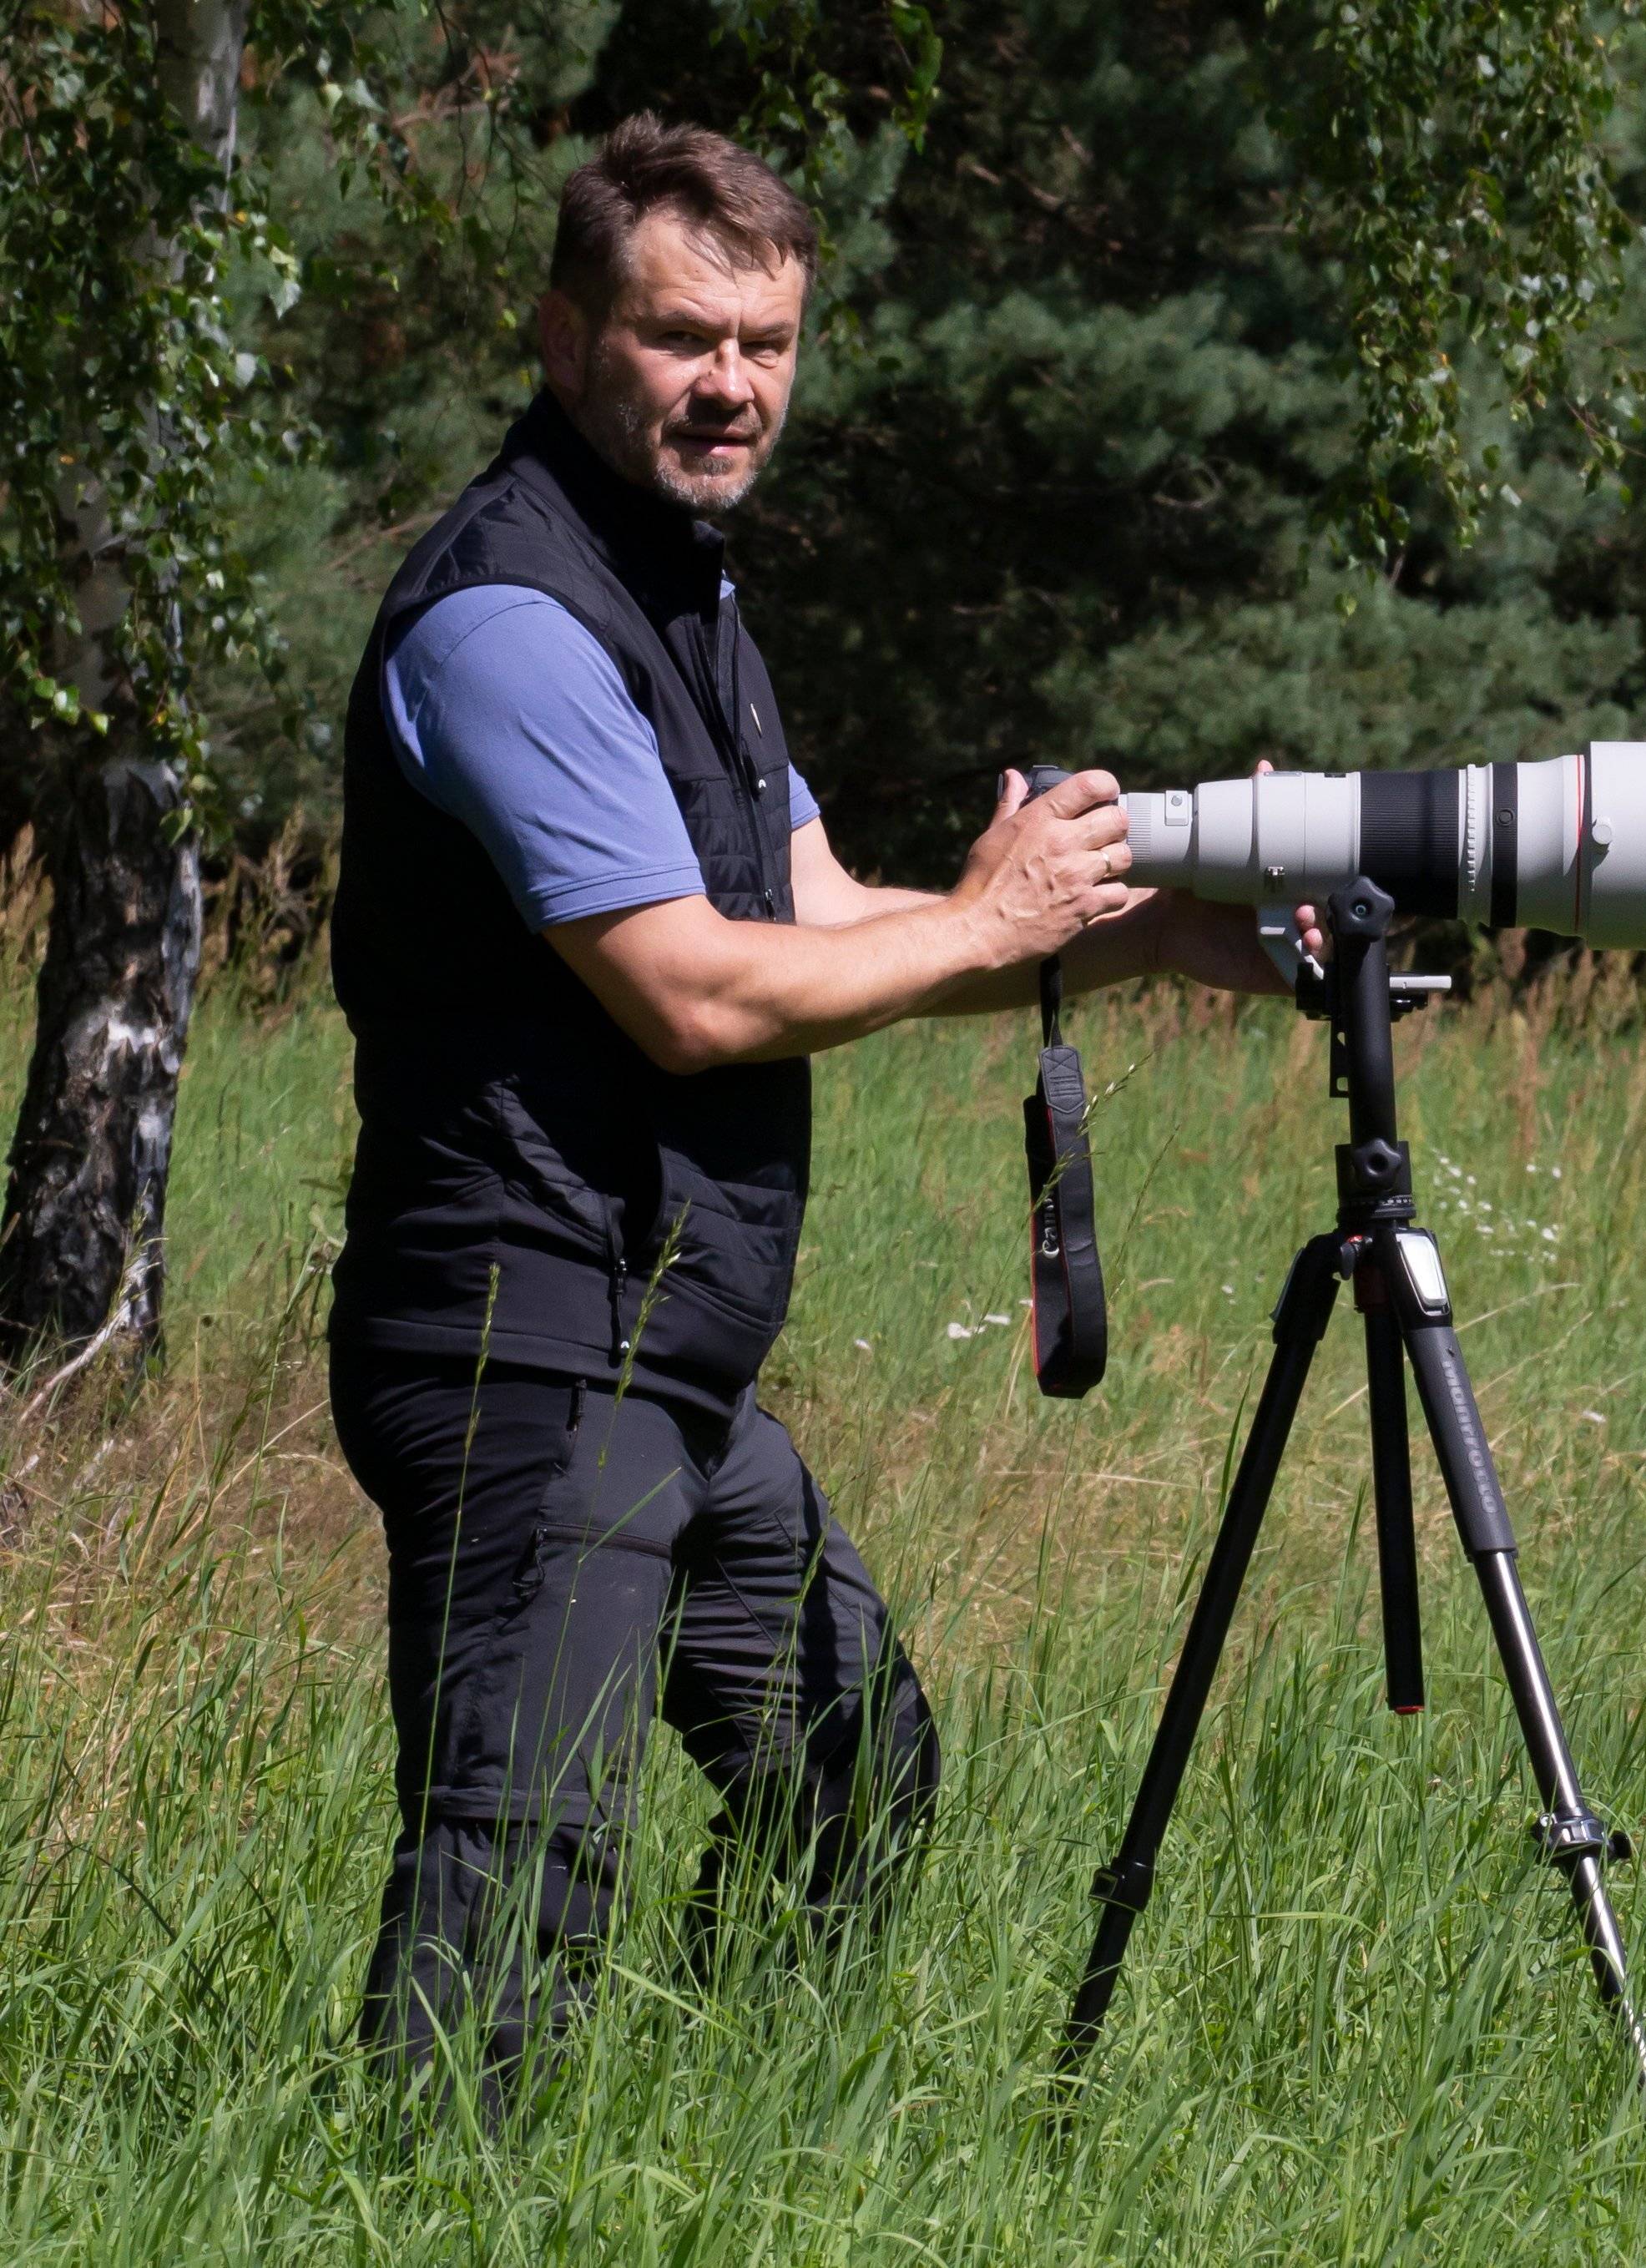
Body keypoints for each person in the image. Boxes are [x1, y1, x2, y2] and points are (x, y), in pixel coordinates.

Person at [325, 113, 1310, 2107]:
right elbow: (695, 991)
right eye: (685, 336)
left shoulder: (685, 596)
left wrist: (1157, 940)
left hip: (662, 1349)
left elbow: (836, 917)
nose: (732, 384)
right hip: (532, 1335)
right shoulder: (509, 617)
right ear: (562, 334)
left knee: (855, 1771)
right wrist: (985, 924)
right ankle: (424, 2194)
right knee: (518, 1881)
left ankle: (701, 2145)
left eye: (768, 341)